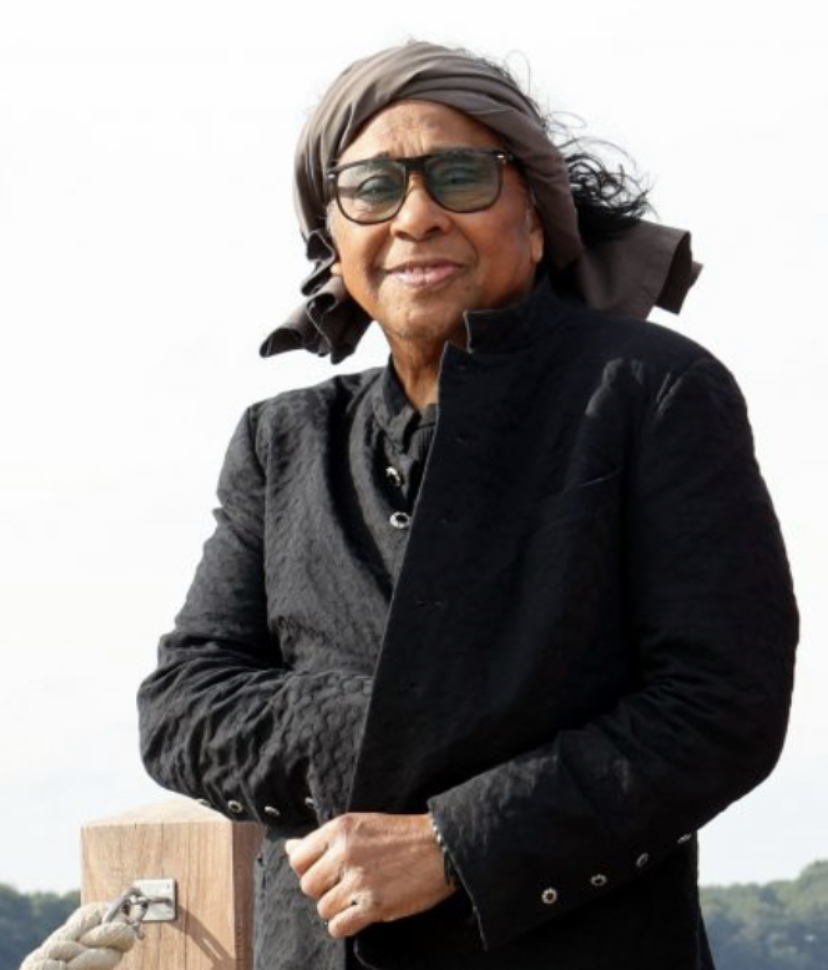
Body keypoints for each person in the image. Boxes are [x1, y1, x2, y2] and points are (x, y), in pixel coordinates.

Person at [136, 40, 799, 970]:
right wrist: (372, 724)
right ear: (334, 242)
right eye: (372, 188)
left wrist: (456, 842)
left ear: (537, 218)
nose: (416, 216)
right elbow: (180, 707)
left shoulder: (651, 393)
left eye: (460, 176)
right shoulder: (282, 442)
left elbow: (721, 705)